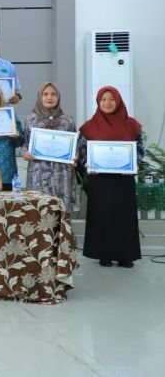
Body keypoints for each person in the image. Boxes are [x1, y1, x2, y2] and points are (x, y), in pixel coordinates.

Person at [78, 86, 143, 268]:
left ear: (118, 101)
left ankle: (125, 255)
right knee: (102, 216)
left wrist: (133, 164)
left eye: (111, 99)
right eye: (103, 99)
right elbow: (82, 150)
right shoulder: (89, 126)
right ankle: (103, 254)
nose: (107, 102)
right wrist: (87, 163)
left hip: (124, 179)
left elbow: (140, 148)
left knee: (124, 216)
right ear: (98, 102)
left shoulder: (132, 124)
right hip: (100, 180)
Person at [22, 83, 79, 212]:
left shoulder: (67, 120)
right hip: (38, 173)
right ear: (40, 97)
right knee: (39, 212)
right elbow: (25, 143)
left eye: (53, 94)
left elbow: (74, 144)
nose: (49, 97)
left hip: (62, 173)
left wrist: (75, 155)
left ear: (58, 97)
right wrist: (25, 152)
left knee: (62, 212)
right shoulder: (30, 119)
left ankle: (63, 232)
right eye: (45, 94)